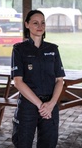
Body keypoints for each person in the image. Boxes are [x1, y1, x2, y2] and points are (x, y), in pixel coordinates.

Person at [11, 9, 65, 148]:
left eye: (42, 22)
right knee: (23, 143)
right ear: (27, 24)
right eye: (35, 23)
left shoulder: (53, 49)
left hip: (50, 104)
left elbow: (60, 80)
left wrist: (51, 104)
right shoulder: (19, 49)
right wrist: (40, 106)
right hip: (28, 105)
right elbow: (18, 82)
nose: (40, 26)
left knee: (49, 144)